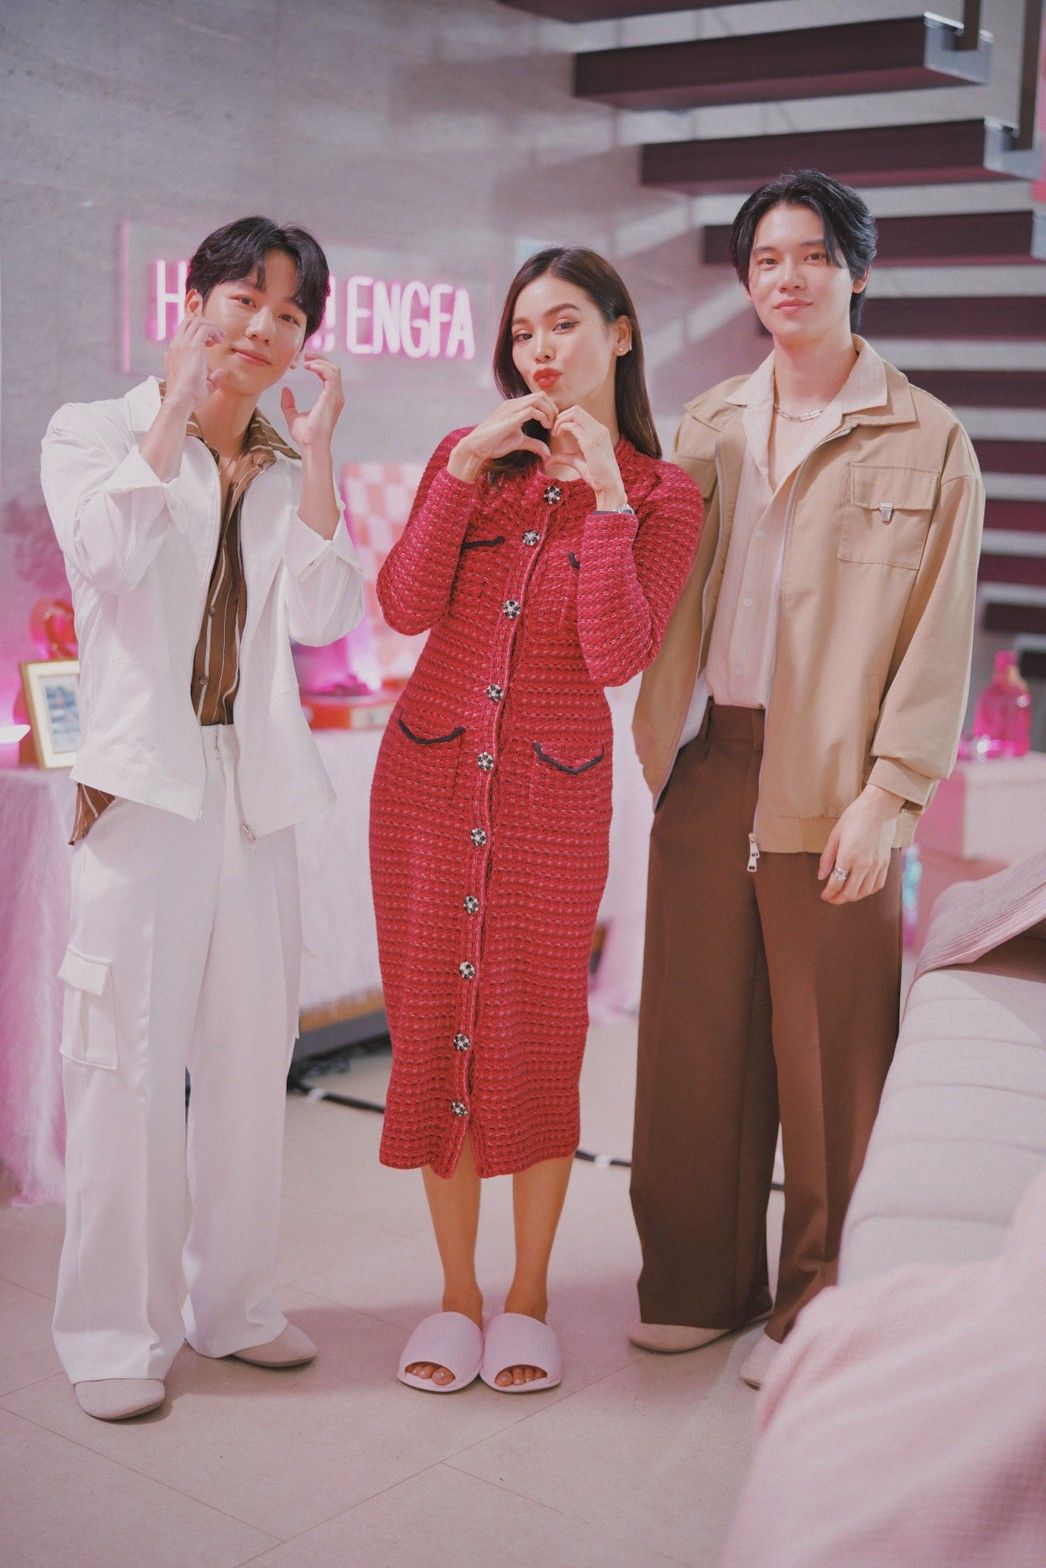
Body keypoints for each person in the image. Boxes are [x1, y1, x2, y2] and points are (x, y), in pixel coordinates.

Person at [629, 171, 984, 1389]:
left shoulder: (927, 436)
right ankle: (693, 1281)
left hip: (838, 782)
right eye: (766, 258)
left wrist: (889, 793)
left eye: (813, 254)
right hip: (708, 762)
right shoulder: (705, 424)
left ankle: (820, 1311)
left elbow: (937, 632)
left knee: (833, 1055)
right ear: (744, 280)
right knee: (691, 1040)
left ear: (857, 271)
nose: (787, 276)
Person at [40, 216, 365, 1421]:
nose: (263, 329)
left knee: (245, 1061)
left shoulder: (283, 461)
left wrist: (317, 456)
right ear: (192, 305)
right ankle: (111, 1333)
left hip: (253, 794)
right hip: (143, 791)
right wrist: (175, 410)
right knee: (124, 1065)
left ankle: (234, 1305)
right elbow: (105, 557)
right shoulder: (95, 430)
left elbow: (327, 615)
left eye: (289, 314)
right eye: (245, 300)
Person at [370, 247, 702, 1394]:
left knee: (533, 1034)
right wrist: (462, 468)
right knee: (436, 1027)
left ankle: (525, 1296)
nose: (539, 349)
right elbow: (402, 604)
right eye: (521, 331)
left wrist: (604, 494)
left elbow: (615, 652)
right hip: (424, 787)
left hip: (553, 796)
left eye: (562, 322)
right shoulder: (466, 463)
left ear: (619, 332)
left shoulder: (662, 495)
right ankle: (455, 1295)